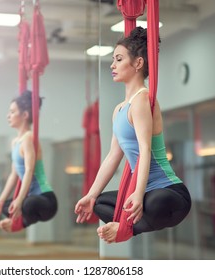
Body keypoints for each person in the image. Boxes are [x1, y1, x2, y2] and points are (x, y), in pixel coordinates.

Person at [74, 27, 191, 243]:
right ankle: (128, 222)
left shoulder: (142, 100)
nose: (112, 65)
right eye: (113, 59)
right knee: (99, 203)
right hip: (146, 195)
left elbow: (145, 150)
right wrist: (90, 194)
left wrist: (137, 193)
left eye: (119, 59)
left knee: (155, 202)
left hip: (170, 194)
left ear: (138, 63)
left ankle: (128, 229)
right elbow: (112, 156)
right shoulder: (119, 109)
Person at [0, 91, 57, 232]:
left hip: (45, 201)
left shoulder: (28, 138)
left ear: (25, 115)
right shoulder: (15, 142)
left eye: (13, 112)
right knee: (7, 206)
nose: (8, 116)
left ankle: (20, 223)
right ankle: (18, 217)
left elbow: (29, 171)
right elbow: (14, 175)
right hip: (31, 200)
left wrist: (19, 200)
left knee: (26, 204)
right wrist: (1, 200)